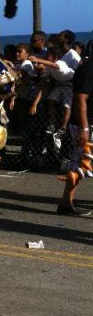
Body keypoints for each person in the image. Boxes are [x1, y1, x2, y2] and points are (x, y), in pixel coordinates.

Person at [57, 57, 93, 216]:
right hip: (86, 125)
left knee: (80, 164)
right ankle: (66, 203)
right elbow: (80, 98)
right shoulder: (88, 67)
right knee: (80, 163)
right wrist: (84, 128)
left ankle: (66, 203)